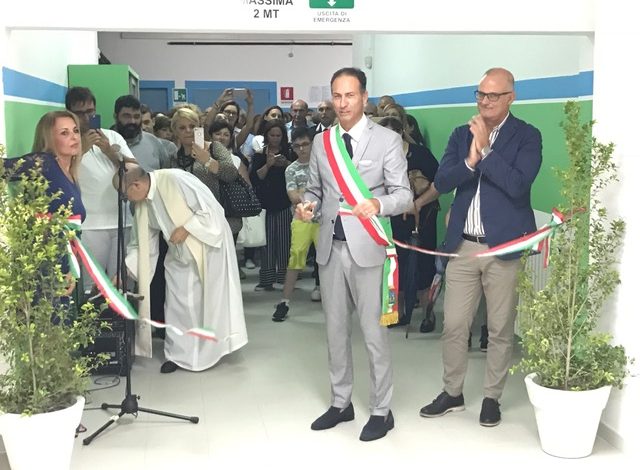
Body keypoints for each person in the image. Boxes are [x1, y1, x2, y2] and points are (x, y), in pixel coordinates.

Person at [420, 67, 542, 427]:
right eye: (481, 94)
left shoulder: (527, 136)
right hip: (463, 246)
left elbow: (518, 185)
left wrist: (486, 151)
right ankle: (452, 392)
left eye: (493, 95)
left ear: (511, 98)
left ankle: (492, 397)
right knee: (455, 324)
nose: (485, 101)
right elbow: (443, 181)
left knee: (500, 328)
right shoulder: (462, 135)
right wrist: (470, 160)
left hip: (503, 247)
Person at [297, 67, 412, 442]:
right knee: (335, 331)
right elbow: (315, 190)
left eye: (350, 95)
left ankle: (381, 410)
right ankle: (340, 402)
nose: (343, 103)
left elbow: (404, 195)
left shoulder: (387, 140)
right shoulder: (322, 142)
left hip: (369, 248)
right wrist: (308, 206)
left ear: (364, 97)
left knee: (374, 333)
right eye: (337, 96)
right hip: (331, 248)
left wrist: (378, 204)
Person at [120, 165, 248, 373]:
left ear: (136, 185)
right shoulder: (143, 205)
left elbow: (211, 210)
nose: (128, 201)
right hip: (178, 255)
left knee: (206, 306)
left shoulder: (175, 179)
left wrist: (188, 228)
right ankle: (178, 356)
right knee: (177, 305)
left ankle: (207, 354)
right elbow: (143, 244)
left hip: (207, 249)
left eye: (126, 196)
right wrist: (126, 271)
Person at [65, 86, 136, 292]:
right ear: (69, 113)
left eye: (91, 112)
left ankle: (121, 314)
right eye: (80, 113)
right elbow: (62, 175)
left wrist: (109, 151)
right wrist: (82, 148)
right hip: (89, 225)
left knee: (121, 283)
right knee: (90, 285)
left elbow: (134, 169)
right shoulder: (66, 140)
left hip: (121, 220)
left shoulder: (112, 136)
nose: (87, 117)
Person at [378, 116, 439, 326]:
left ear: (401, 132)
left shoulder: (420, 154)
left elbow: (439, 183)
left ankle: (427, 314)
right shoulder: (381, 158)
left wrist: (418, 203)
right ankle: (397, 312)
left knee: (424, 265)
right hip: (393, 219)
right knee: (396, 265)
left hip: (423, 218)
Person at [271, 128, 320, 321]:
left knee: (328, 261)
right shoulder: (291, 169)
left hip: (325, 220)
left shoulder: (323, 165)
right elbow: (293, 197)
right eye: (297, 145)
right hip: (302, 220)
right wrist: (313, 198)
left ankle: (336, 301)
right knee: (296, 258)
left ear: (313, 144)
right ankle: (284, 302)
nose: (301, 149)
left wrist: (305, 195)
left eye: (305, 144)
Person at [249, 119, 294, 291]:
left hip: (284, 202)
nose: (275, 138)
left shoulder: (289, 152)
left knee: (284, 242)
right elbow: (256, 178)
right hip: (265, 204)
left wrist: (286, 164)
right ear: (266, 136)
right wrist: (268, 165)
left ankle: (283, 278)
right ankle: (266, 280)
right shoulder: (259, 155)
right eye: (272, 135)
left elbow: (298, 171)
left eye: (278, 135)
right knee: (266, 243)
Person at [113, 95, 172, 171]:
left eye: (136, 117)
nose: (132, 121)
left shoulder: (154, 143)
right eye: (127, 116)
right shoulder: (106, 143)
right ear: (116, 117)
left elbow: (166, 174)